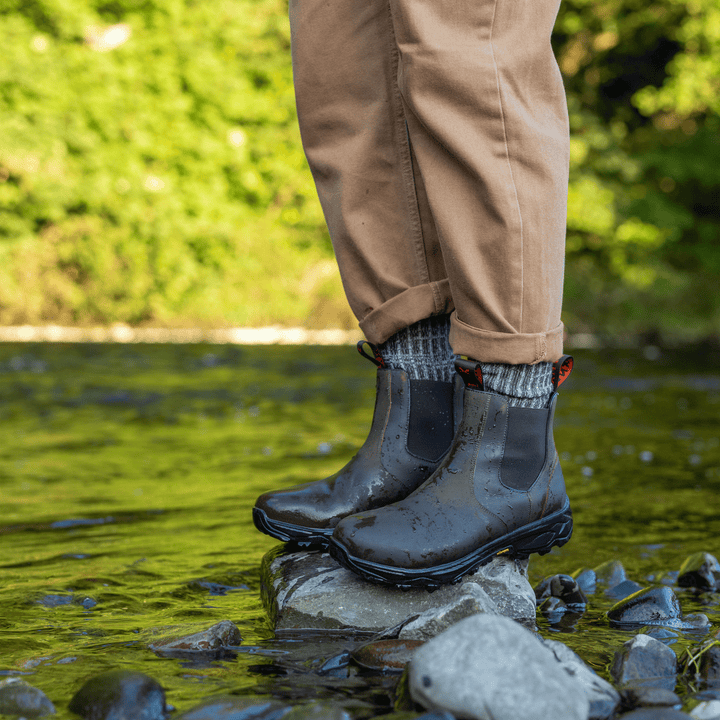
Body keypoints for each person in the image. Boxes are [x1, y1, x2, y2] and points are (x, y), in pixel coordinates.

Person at [253, 0, 574, 588]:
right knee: (345, 69)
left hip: (511, 432)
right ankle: (417, 442)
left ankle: (512, 461)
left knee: (470, 48)